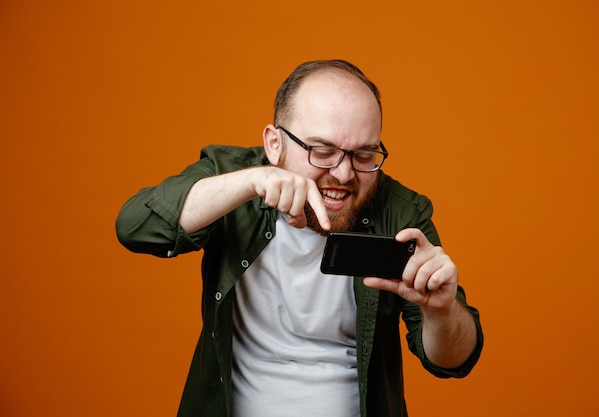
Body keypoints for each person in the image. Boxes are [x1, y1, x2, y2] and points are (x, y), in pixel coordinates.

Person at [116, 59, 484, 417]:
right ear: (274, 144)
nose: (343, 173)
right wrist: (251, 182)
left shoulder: (403, 212)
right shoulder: (230, 178)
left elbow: (453, 362)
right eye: (322, 152)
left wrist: (443, 311)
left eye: (364, 154)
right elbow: (135, 227)